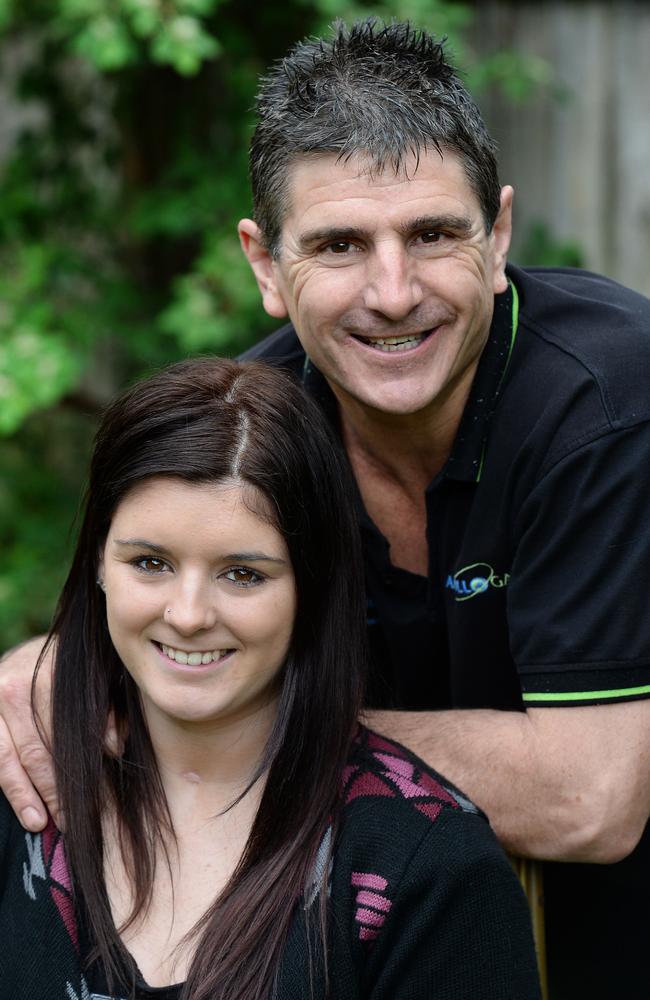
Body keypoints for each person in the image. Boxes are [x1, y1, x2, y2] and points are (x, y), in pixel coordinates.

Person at [1, 17, 650, 997]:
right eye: (339, 244)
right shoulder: (255, 433)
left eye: (432, 235)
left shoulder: (606, 401)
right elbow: (155, 627)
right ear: (263, 263)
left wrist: (220, 716)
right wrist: (58, 673)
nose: (392, 293)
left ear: (499, 231)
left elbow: (590, 798)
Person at [0, 356, 541, 999]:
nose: (189, 614)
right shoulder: (19, 785)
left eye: (243, 574)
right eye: (150, 563)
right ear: (97, 562)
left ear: (312, 589)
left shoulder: (431, 872)